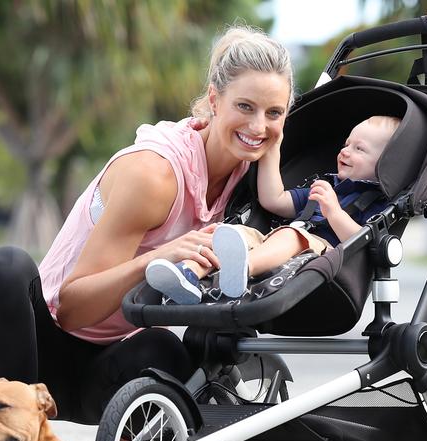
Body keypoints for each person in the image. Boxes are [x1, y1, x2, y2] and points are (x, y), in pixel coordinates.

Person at [0, 25, 294, 424]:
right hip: (39, 349)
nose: (259, 127)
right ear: (214, 99)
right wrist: (156, 259)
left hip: (108, 370)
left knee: (167, 350)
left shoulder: (249, 174)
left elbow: (293, 212)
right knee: (5, 267)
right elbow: (72, 310)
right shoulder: (154, 175)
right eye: (245, 107)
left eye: (274, 113)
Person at [146, 115, 400, 303]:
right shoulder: (325, 185)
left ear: (386, 164)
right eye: (346, 144)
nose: (345, 151)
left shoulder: (375, 201)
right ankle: (188, 274)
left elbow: (364, 244)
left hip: (327, 258)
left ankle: (242, 270)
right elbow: (274, 200)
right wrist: (272, 151)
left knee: (292, 235)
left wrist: (334, 213)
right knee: (229, 232)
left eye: (359, 149)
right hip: (276, 242)